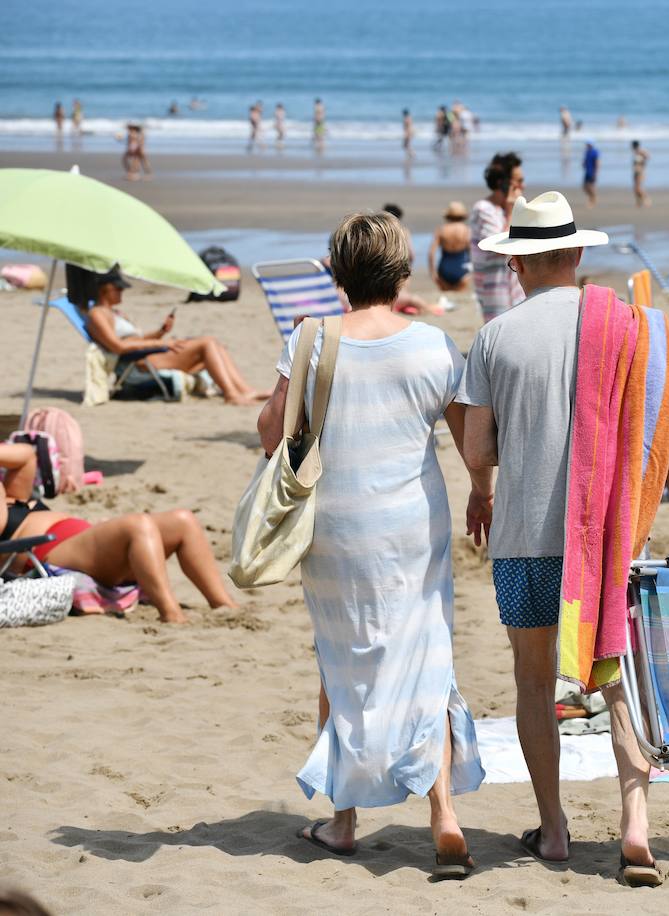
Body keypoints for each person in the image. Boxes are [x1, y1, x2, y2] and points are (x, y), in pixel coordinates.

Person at [459, 190, 669, 886]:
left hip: (522, 542)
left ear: (519, 265)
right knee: (615, 679)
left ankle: (554, 829)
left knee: (535, 682)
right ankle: (635, 824)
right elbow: (658, 441)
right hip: (605, 543)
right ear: (575, 254)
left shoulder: (494, 338)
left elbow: (479, 453)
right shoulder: (630, 329)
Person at [256, 211, 485, 877]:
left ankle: (344, 820)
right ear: (404, 271)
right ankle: (444, 814)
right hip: (412, 525)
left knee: (340, 658)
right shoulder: (434, 346)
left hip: (335, 525)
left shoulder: (310, 340)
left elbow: (273, 433)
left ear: (336, 275)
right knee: (427, 656)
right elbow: (472, 443)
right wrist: (483, 491)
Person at [0, 442, 236, 624]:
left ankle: (223, 604)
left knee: (183, 520)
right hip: (49, 554)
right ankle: (172, 614)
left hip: (92, 547)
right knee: (138, 525)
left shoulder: (14, 493)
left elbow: (27, 455)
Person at [77, 267, 270, 405]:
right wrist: (164, 343)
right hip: (137, 364)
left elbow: (137, 339)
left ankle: (246, 391)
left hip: (148, 353)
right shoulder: (97, 314)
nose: (122, 291)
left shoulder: (116, 313)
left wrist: (161, 332)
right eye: (118, 288)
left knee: (214, 345)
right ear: (104, 288)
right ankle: (231, 394)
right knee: (207, 343)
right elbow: (118, 347)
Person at [470, 151, 526, 323]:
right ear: (503, 184)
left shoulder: (504, 210)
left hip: (513, 288)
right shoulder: (484, 209)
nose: (522, 186)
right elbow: (501, 247)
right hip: (494, 289)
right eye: (518, 181)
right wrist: (511, 210)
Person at [429, 201, 473, 292]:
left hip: (445, 268)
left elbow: (431, 253)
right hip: (461, 267)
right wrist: (473, 270)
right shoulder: (466, 230)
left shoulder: (441, 230)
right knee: (459, 294)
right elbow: (472, 252)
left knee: (446, 296)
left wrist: (433, 272)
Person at [631, 140, 650, 207]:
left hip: (640, 172)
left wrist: (641, 153)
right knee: (635, 188)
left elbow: (647, 157)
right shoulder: (635, 153)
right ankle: (638, 202)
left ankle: (646, 199)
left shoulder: (640, 151)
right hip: (635, 172)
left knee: (638, 188)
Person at [581, 140, 600, 207]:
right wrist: (583, 164)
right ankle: (591, 198)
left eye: (588, 144)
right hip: (587, 171)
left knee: (591, 187)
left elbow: (597, 163)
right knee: (584, 187)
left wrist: (596, 173)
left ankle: (593, 199)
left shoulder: (595, 152)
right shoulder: (587, 152)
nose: (587, 146)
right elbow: (585, 160)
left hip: (592, 172)